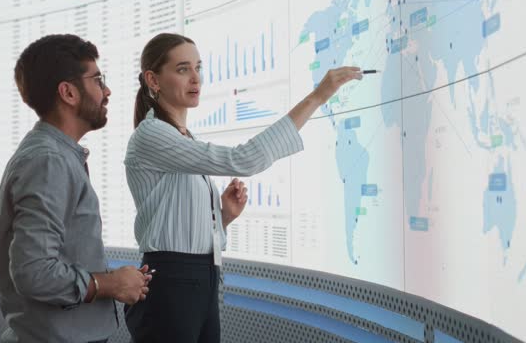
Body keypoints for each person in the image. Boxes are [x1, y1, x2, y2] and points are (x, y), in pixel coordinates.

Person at [123, 33, 362, 342]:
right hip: (172, 283)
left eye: (198, 67)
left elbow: (175, 225)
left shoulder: (183, 138)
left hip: (200, 278)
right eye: (183, 69)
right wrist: (316, 97)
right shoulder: (151, 134)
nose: (196, 78)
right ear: (153, 80)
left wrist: (222, 218)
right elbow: (243, 159)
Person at [0, 34, 152, 343]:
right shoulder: (48, 161)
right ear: (68, 92)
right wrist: (111, 284)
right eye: (98, 80)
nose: (107, 91)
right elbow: (34, 272)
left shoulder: (54, 156)